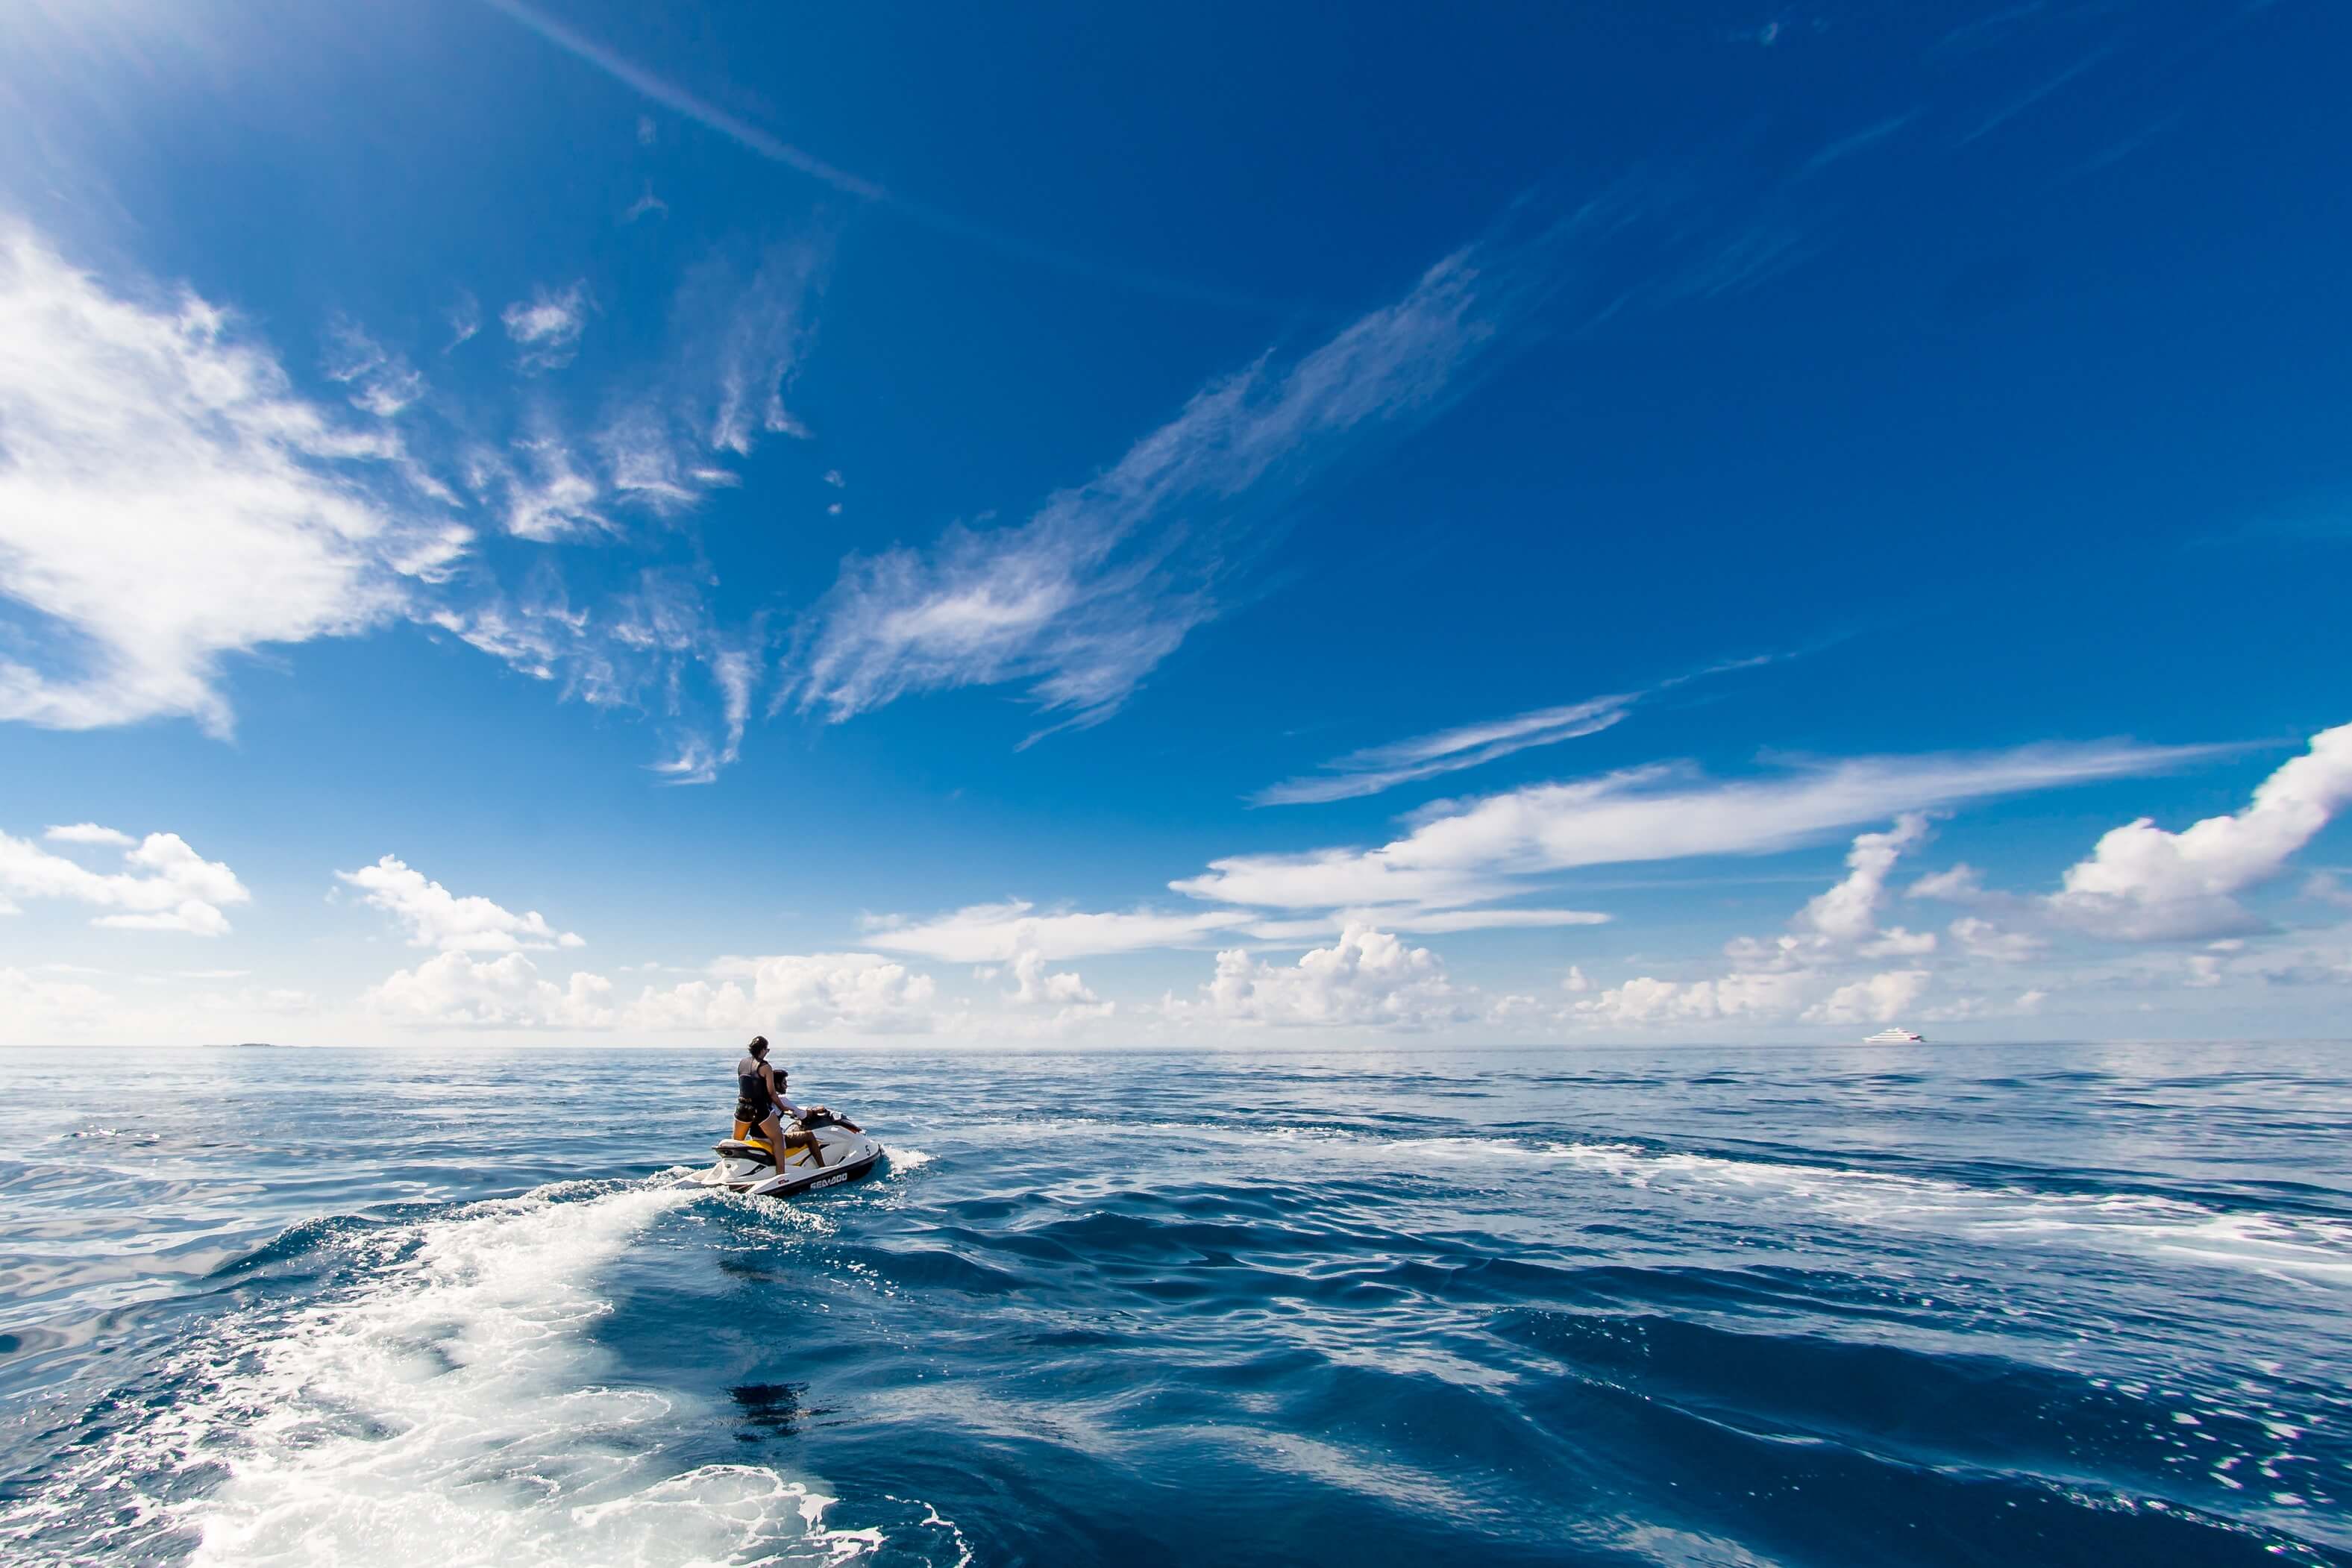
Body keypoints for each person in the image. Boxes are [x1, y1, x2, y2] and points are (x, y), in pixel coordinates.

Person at [734, 1036, 827, 1169]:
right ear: (762, 1050)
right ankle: (781, 1174)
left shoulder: (742, 1063)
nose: (767, 1052)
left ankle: (731, 1168)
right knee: (778, 1139)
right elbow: (772, 1093)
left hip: (742, 1107)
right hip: (759, 1108)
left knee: (736, 1142)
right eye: (767, 1049)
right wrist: (783, 1108)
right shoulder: (765, 1067)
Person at [771, 1064, 860, 1134]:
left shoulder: (767, 1097)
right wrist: (814, 1111)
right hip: (777, 1137)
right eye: (784, 1083)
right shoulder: (781, 1099)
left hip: (765, 1134)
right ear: (777, 1085)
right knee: (810, 1136)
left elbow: (787, 1109)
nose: (787, 1086)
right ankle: (820, 1158)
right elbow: (803, 1116)